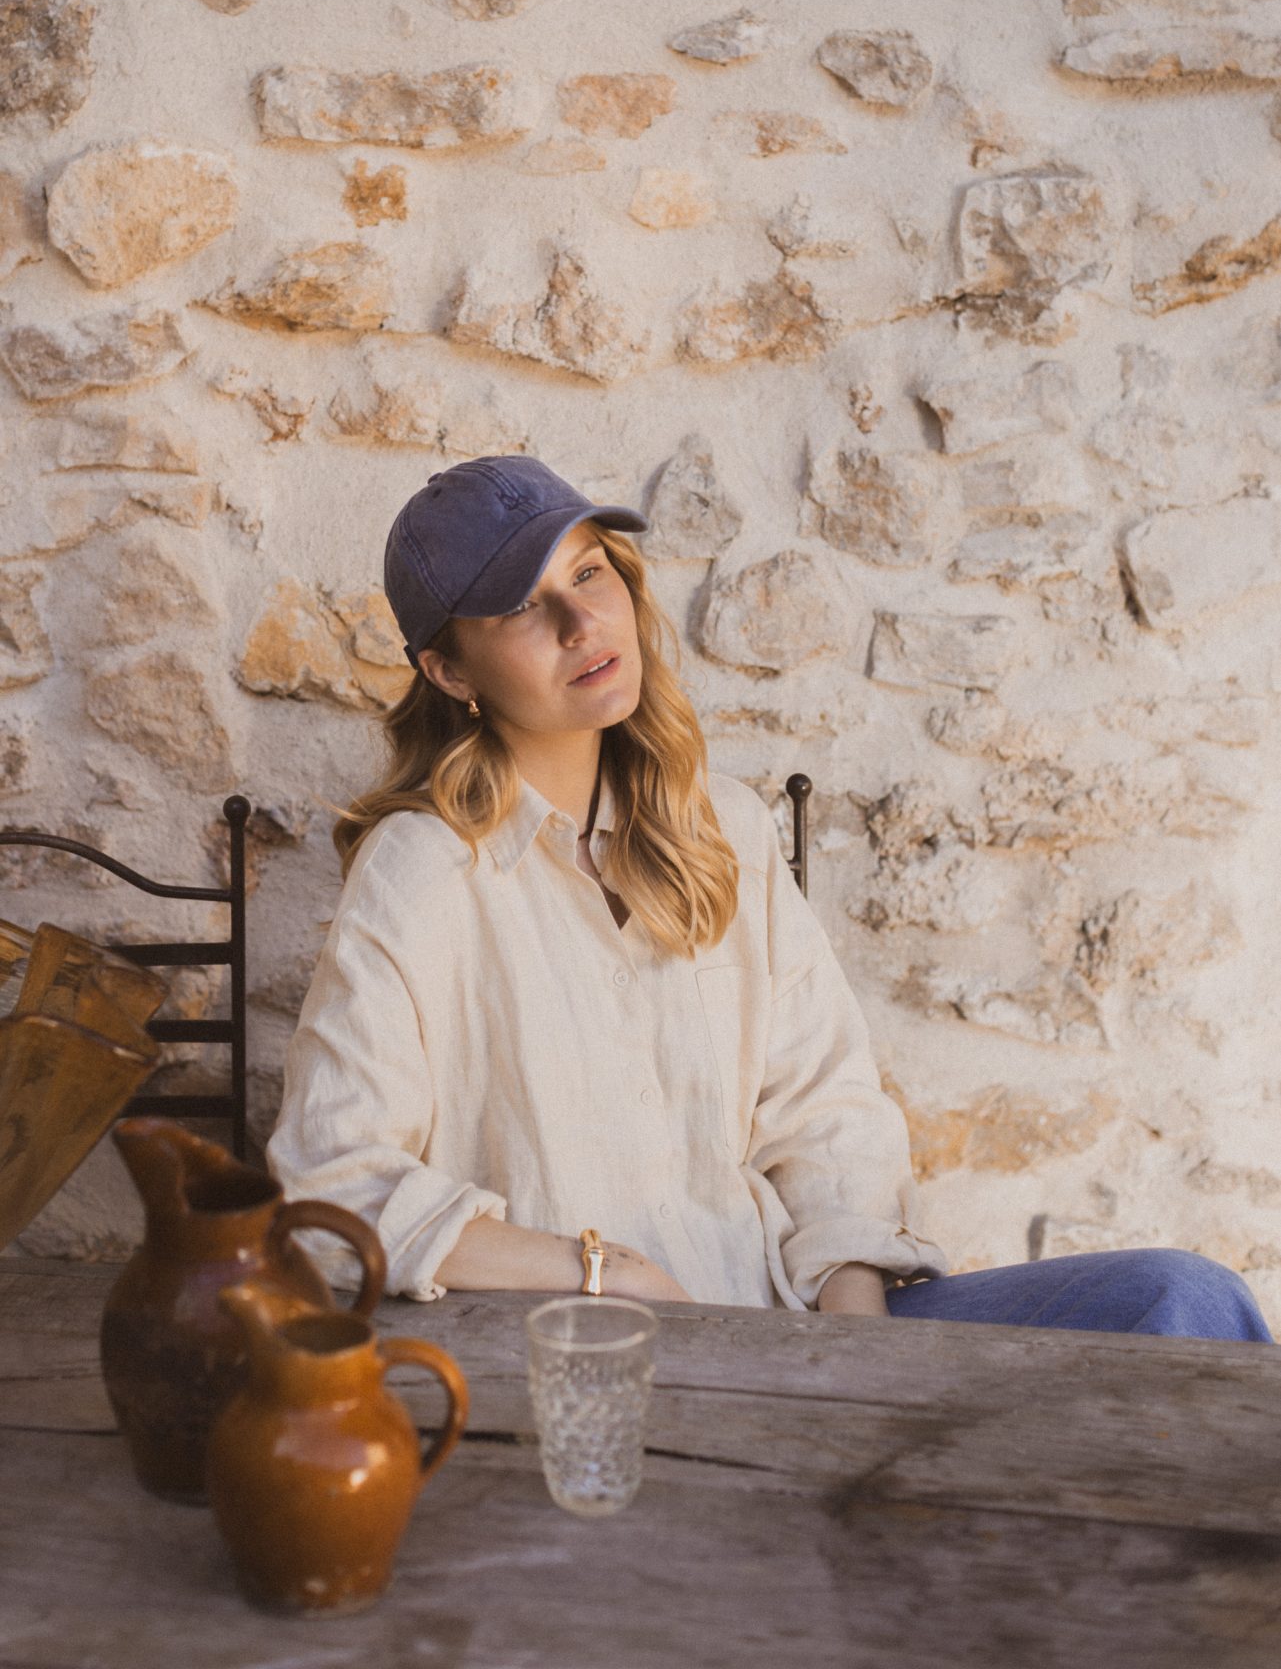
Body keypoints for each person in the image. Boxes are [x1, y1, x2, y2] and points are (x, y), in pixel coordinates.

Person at [268, 456, 1272, 1343]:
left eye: (589, 572)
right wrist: (601, 1272)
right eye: (523, 607)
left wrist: (854, 1339)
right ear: (449, 669)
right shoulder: (423, 871)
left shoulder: (725, 829)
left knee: (1183, 1301)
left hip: (786, 1328)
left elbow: (824, 1110)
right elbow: (330, 1185)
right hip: (592, 1359)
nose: (581, 624)